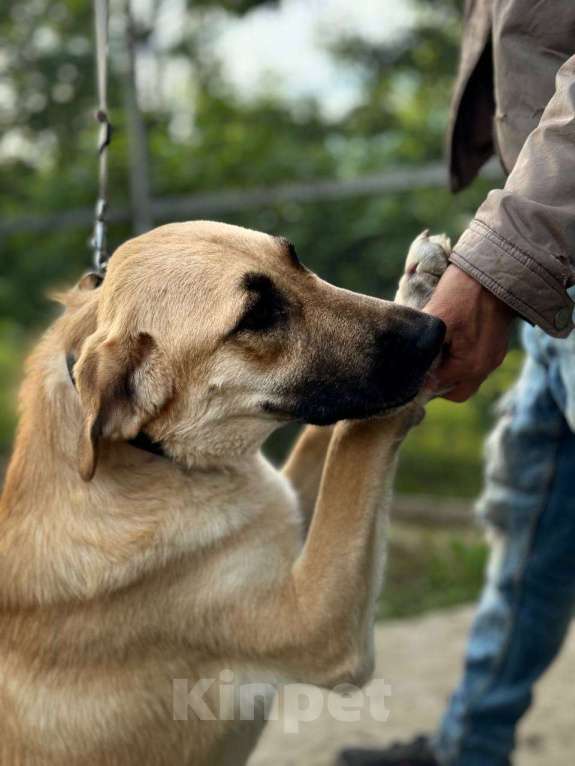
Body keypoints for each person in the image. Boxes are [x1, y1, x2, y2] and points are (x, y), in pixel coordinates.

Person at [337, 1, 575, 765]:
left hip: (535, 242)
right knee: (528, 530)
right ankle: (467, 749)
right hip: (556, 260)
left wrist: (493, 265)